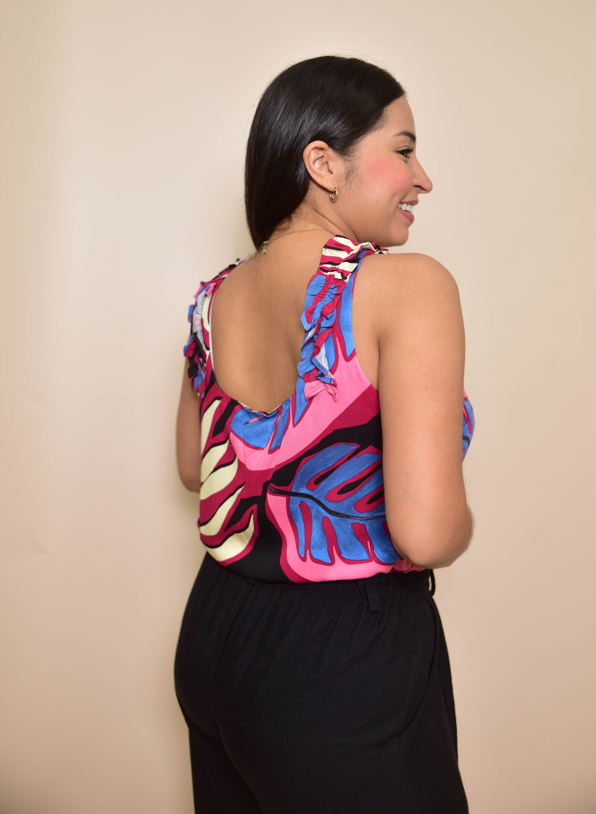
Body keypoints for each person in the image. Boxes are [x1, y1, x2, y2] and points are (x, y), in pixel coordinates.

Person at [174, 55, 475, 814]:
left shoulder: (215, 297)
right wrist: (457, 518)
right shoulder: (406, 286)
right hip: (342, 659)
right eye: (403, 149)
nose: (423, 178)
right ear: (323, 164)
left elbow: (194, 468)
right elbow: (426, 531)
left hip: (216, 630)